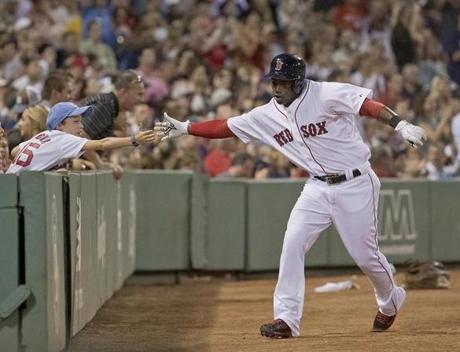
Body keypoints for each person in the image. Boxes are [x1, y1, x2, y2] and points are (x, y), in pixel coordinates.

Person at [155, 53, 427, 338]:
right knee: (292, 243)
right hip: (317, 188)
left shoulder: (325, 94)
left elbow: (367, 106)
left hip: (355, 182)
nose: (277, 87)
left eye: (283, 82)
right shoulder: (266, 115)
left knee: (365, 256)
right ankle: (286, 318)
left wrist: (400, 125)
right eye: (274, 80)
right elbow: (226, 126)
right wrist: (186, 128)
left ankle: (390, 300)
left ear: (298, 82)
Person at [7, 102, 159, 174]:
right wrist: (133, 140)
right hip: (20, 190)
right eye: (75, 121)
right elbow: (103, 144)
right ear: (60, 125)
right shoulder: (63, 138)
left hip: (10, 183)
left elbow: (15, 151)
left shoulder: (43, 135)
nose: (81, 126)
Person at [78, 69, 146, 178]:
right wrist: (99, 163)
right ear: (123, 92)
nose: (142, 99)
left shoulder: (112, 108)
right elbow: (80, 137)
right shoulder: (105, 105)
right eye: (139, 94)